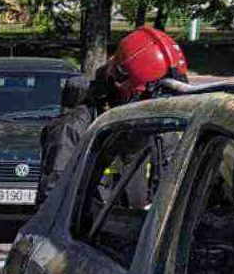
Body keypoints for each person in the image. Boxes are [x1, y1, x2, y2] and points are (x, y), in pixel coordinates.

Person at [38, 27, 188, 201]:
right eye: (149, 98)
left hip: (136, 225)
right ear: (121, 84)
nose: (157, 107)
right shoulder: (75, 129)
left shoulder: (160, 133)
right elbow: (53, 202)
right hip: (92, 227)